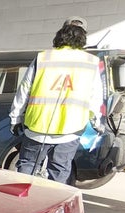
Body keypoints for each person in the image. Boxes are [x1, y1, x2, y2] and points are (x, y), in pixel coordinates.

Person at [8, 17, 106, 183]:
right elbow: (95, 97)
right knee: (60, 170)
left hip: (38, 127)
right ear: (83, 37)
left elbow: (24, 89)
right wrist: (97, 122)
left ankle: (22, 205)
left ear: (61, 33)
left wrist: (15, 117)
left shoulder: (43, 58)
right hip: (70, 129)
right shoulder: (91, 62)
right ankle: (55, 206)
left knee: (28, 165)